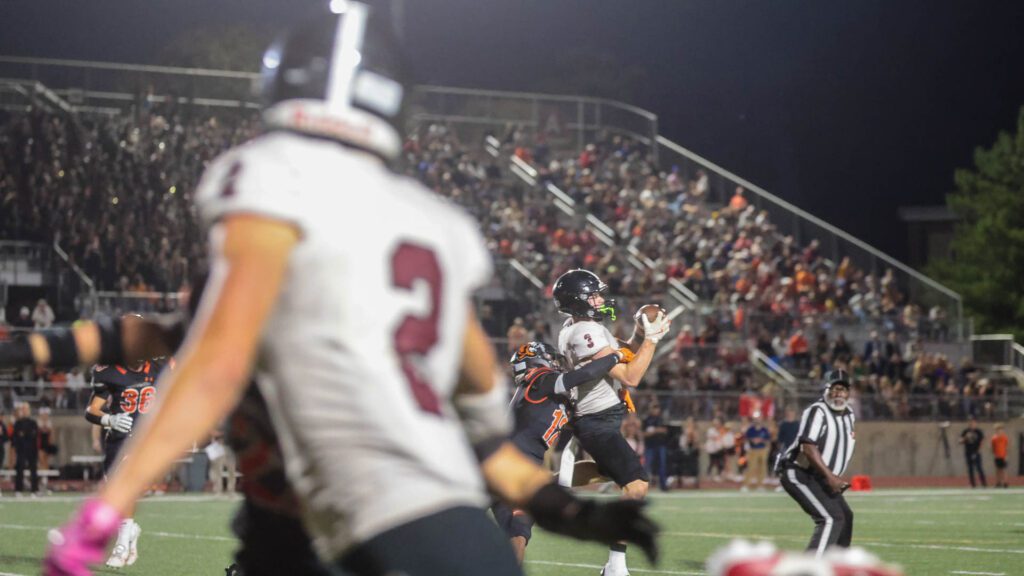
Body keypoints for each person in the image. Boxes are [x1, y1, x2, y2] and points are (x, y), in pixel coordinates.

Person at [43, 5, 658, 575]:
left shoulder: (265, 183)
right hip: (438, 510)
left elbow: (213, 368)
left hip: (329, 505)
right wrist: (563, 508)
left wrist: (108, 506)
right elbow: (476, 409)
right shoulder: (439, 227)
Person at [553, 268, 671, 576]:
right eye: (594, 295)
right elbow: (631, 376)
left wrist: (640, 335)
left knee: (605, 471)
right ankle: (615, 567)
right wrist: (653, 340)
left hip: (596, 418)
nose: (600, 300)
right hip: (596, 420)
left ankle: (539, 486)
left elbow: (623, 353)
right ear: (578, 300)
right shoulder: (584, 331)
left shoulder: (579, 326)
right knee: (636, 484)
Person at [493, 341, 632, 564]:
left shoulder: (551, 397)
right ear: (537, 361)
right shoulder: (539, 380)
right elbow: (585, 374)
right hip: (509, 465)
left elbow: (589, 423)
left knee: (517, 534)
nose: (556, 364)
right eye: (552, 359)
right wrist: (615, 356)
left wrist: (614, 403)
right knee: (506, 532)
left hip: (521, 470)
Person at [85, 356, 168, 567]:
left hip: (146, 438)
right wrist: (109, 419)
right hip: (119, 437)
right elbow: (92, 410)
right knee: (112, 493)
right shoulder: (110, 372)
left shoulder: (160, 367)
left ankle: (121, 544)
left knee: (126, 485)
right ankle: (130, 530)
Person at [775, 369, 856, 558]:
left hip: (820, 477)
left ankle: (838, 565)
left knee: (846, 517)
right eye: (834, 388)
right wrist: (831, 477)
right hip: (799, 472)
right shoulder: (817, 411)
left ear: (848, 392)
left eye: (843, 389)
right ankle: (808, 568)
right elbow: (808, 448)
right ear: (826, 390)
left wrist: (831, 475)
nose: (838, 393)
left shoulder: (849, 414)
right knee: (831, 518)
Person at [12, 401, 40, 495]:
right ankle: (18, 490)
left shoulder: (33, 423)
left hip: (31, 449)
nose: (24, 411)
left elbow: (33, 435)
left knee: (33, 470)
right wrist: (25, 434)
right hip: (21, 449)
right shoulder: (18, 423)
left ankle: (34, 490)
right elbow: (16, 436)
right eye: (23, 409)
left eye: (26, 409)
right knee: (19, 469)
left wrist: (24, 434)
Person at [642, 403, 669, 491]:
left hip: (661, 445)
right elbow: (643, 434)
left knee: (662, 465)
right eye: (654, 408)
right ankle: (644, 486)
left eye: (657, 408)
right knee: (647, 466)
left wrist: (655, 430)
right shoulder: (646, 420)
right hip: (650, 446)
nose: (655, 410)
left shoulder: (661, 419)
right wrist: (653, 432)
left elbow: (665, 430)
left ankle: (663, 485)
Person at [743, 411, 770, 492]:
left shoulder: (764, 430)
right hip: (753, 450)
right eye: (756, 418)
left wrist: (761, 440)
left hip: (762, 450)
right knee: (751, 467)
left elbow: (768, 440)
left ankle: (760, 485)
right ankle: (746, 485)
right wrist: (753, 440)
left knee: (762, 468)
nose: (757, 420)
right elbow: (746, 439)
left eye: (759, 418)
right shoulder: (750, 429)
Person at [959, 418, 987, 488]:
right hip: (968, 452)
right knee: (970, 469)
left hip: (976, 452)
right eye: (971, 423)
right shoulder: (965, 431)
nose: (972, 424)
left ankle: (984, 484)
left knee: (979, 468)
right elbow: (960, 441)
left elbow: (982, 442)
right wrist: (965, 437)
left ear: (976, 423)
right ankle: (973, 484)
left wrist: (978, 451)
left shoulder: (978, 432)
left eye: (973, 423)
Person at [991, 423, 1009, 488]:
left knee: (1004, 470)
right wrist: (994, 454)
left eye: (1001, 430)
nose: (999, 431)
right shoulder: (994, 438)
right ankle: (998, 482)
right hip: (997, 456)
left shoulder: (1005, 438)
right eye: (998, 430)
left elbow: (1006, 447)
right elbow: (993, 447)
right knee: (998, 470)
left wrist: (1006, 456)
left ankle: (1005, 482)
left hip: (1003, 456)